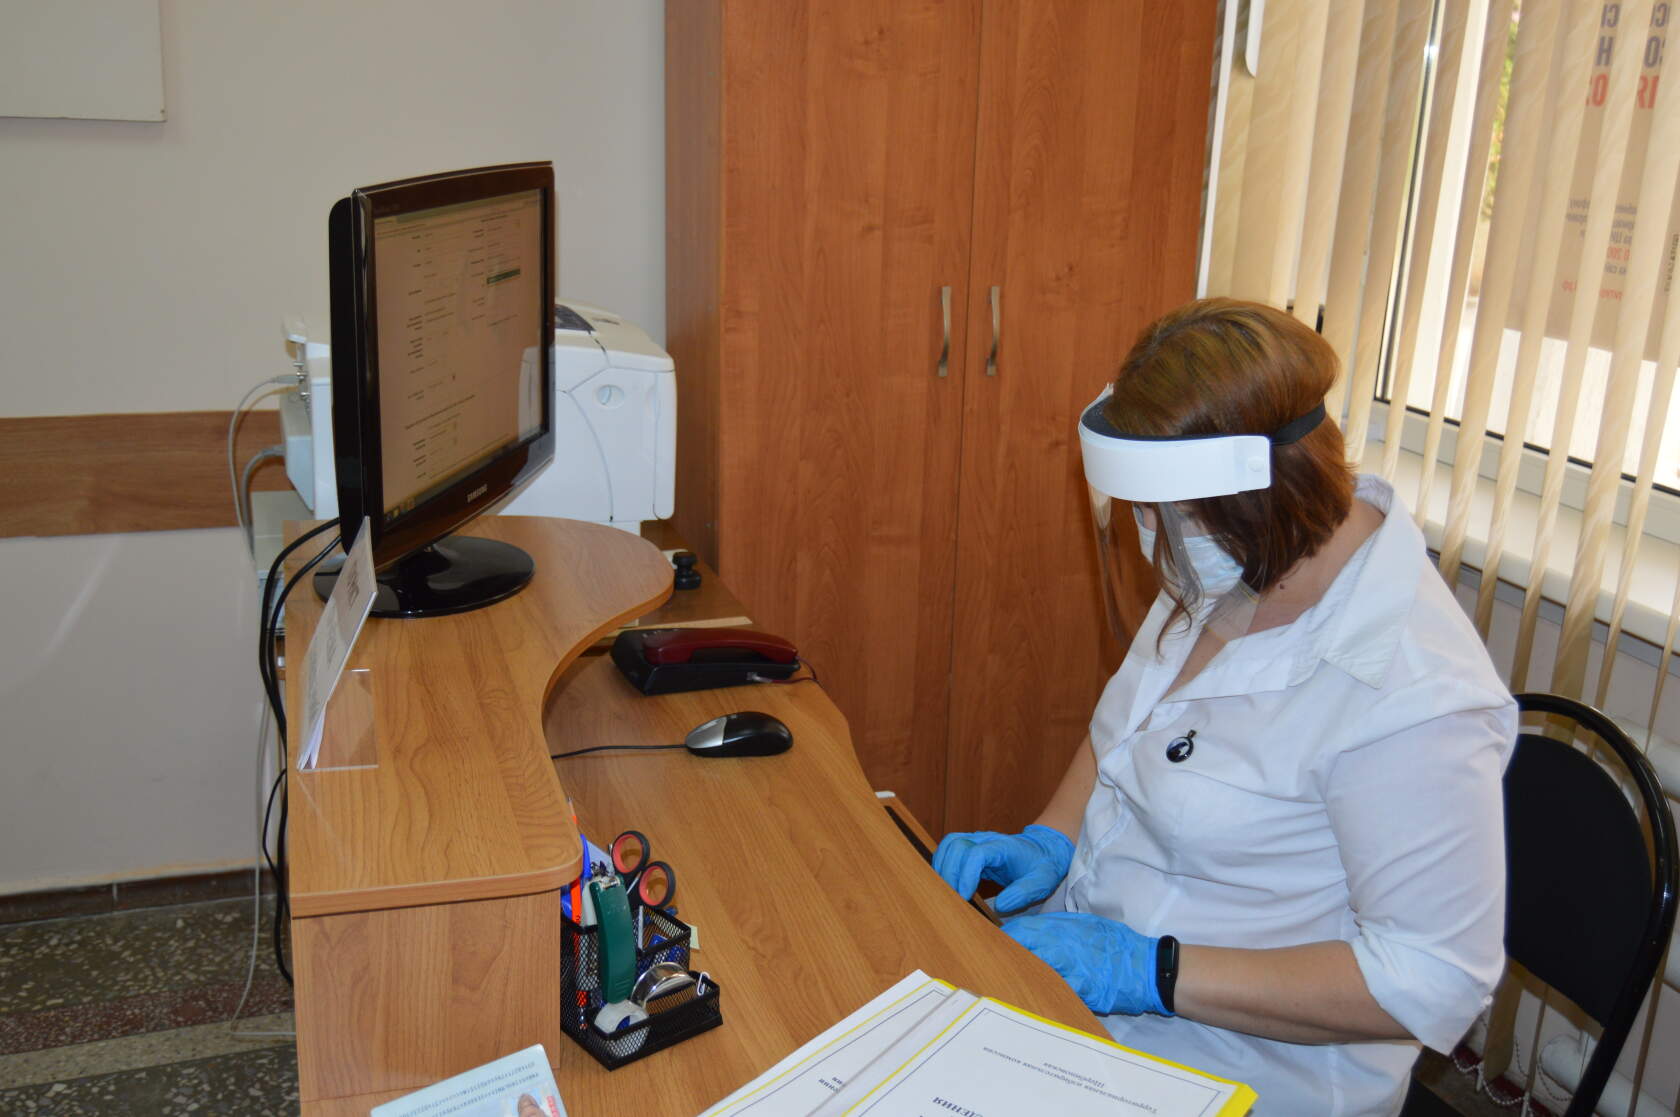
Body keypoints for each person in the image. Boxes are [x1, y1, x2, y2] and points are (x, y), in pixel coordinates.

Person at [934, 298, 1515, 1116]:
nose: (1149, 535)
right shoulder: (1238, 561)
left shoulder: (1414, 694)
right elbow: (1124, 730)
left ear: (1250, 507)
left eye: (1163, 515)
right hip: (1084, 1020)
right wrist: (1050, 838)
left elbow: (1432, 979)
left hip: (1236, 1073)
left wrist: (1150, 971)